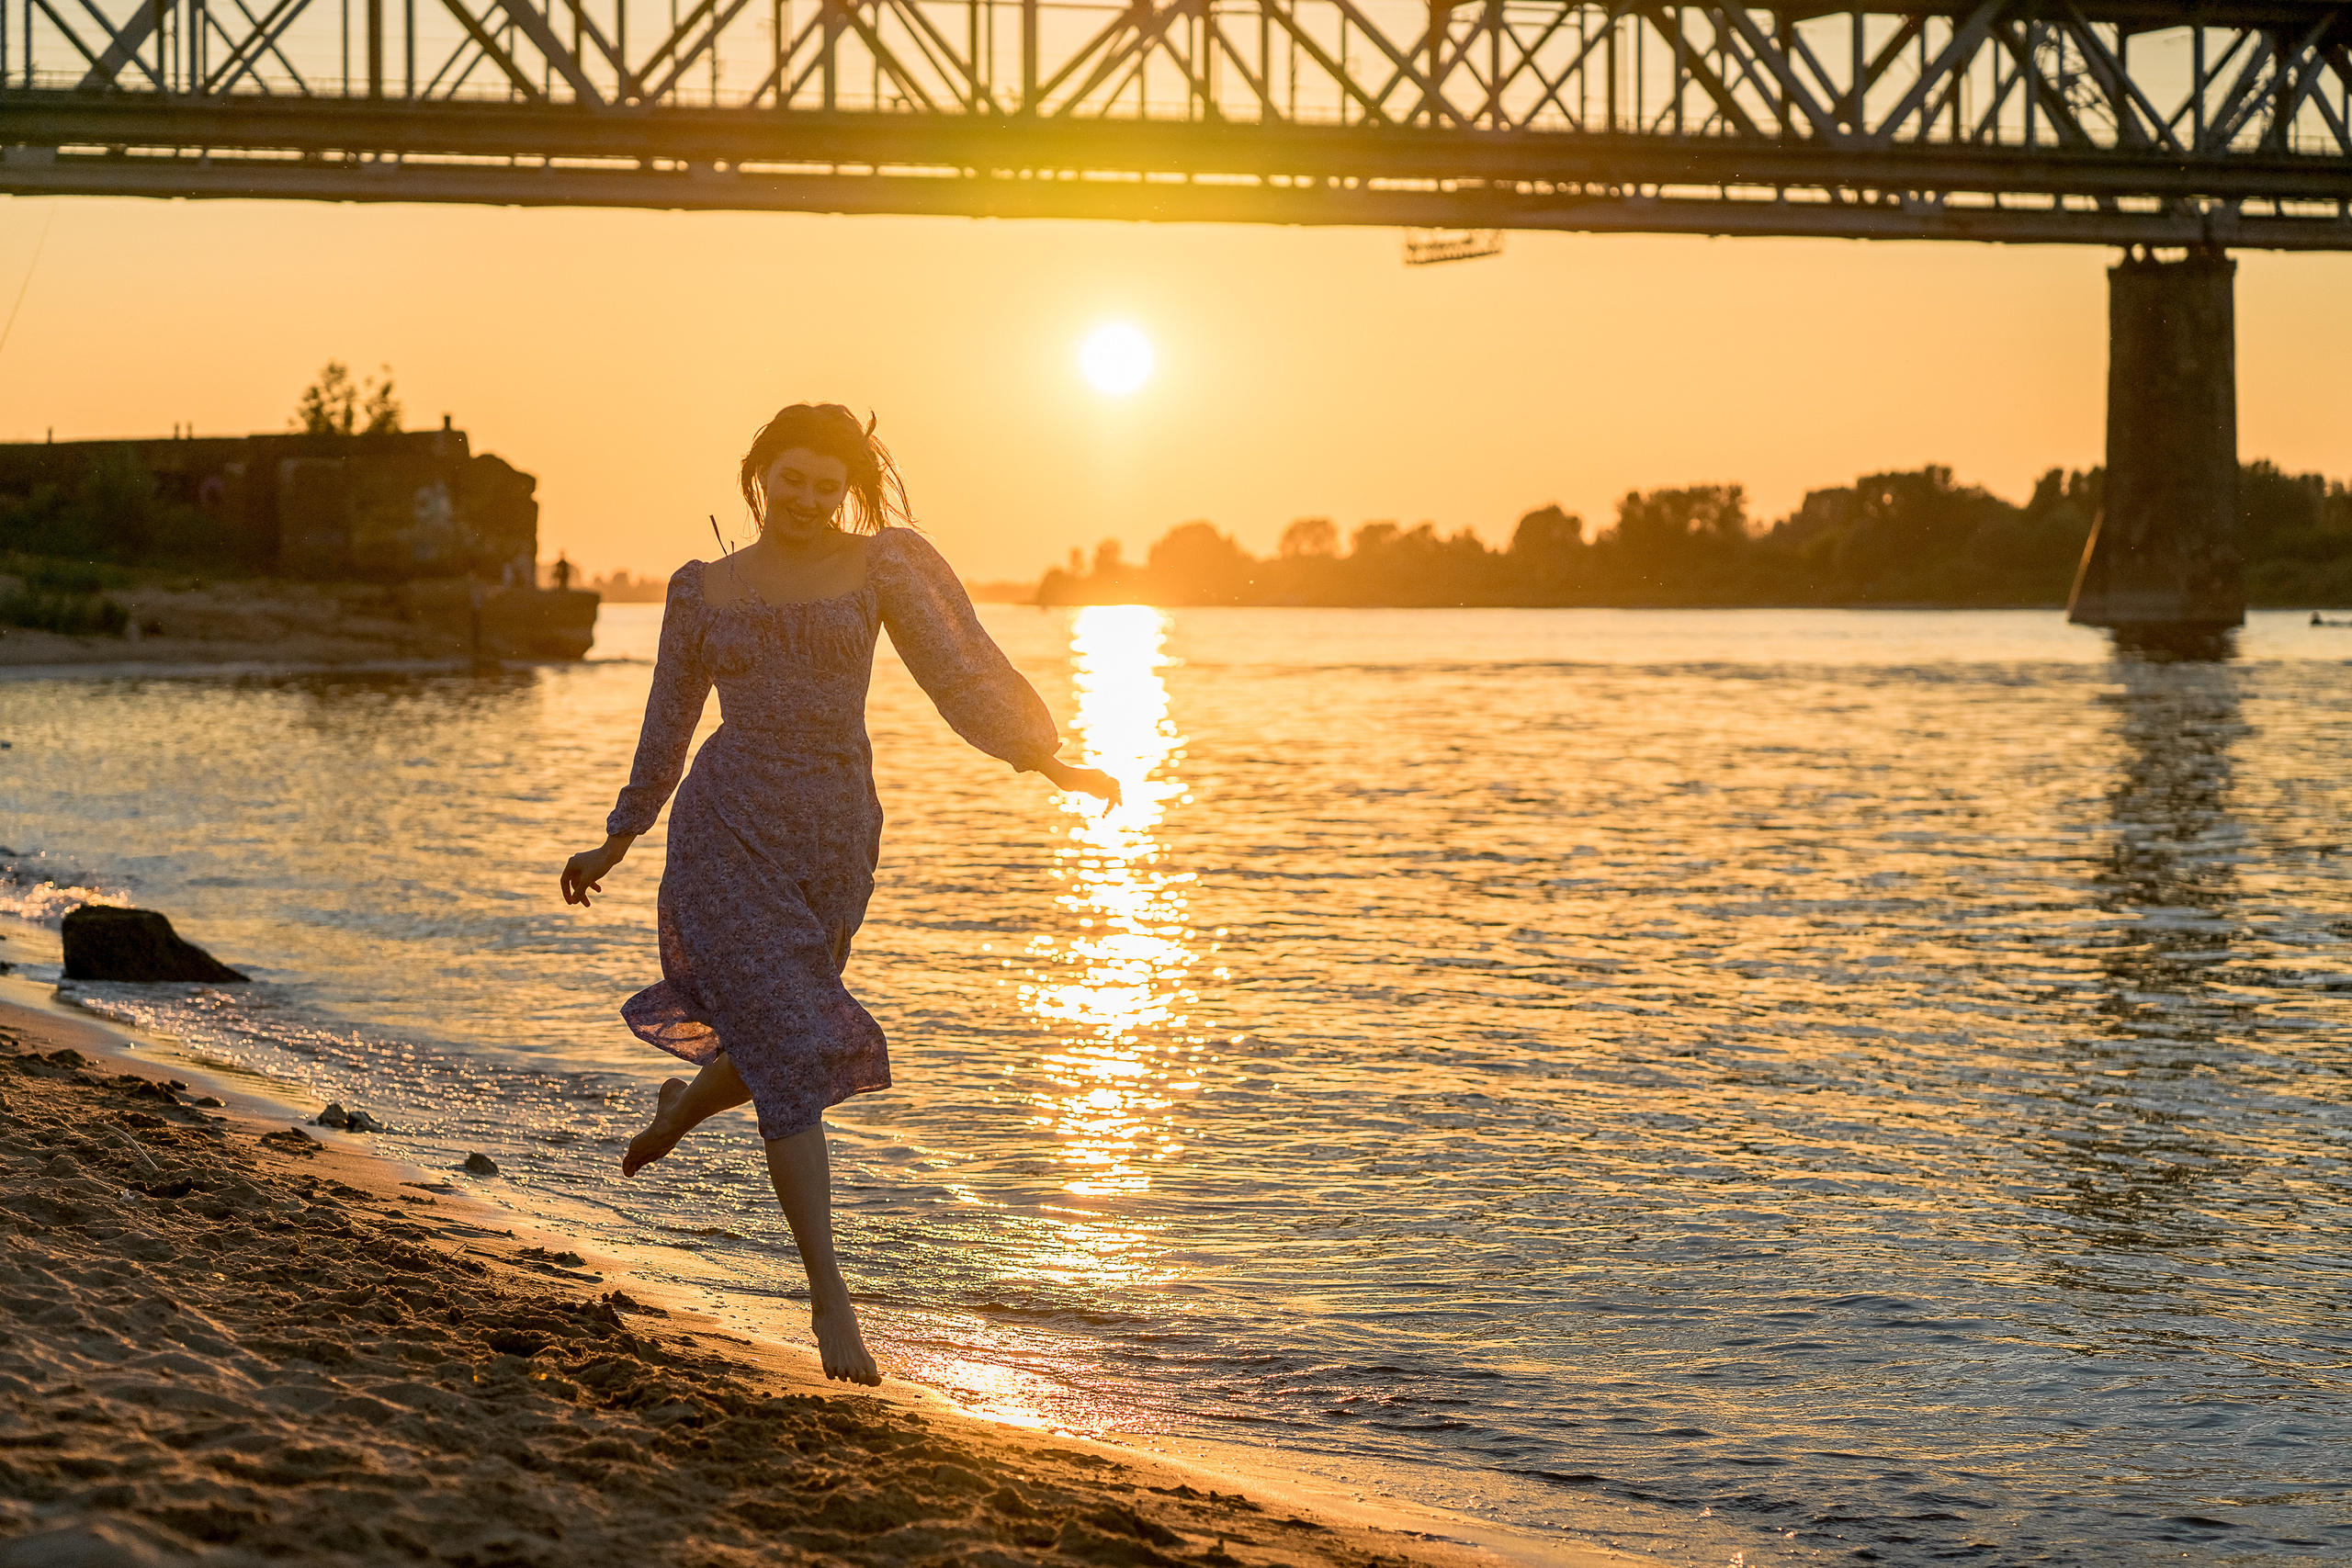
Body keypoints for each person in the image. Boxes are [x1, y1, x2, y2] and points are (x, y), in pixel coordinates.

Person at [559, 403, 1117, 1386]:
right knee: (788, 1044)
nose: (809, 499)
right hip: (724, 831)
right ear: (758, 476)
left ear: (846, 491)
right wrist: (617, 839)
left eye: (828, 484)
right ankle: (832, 1307)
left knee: (790, 1038)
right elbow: (668, 723)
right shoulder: (703, 592)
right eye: (793, 479)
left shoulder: (881, 567)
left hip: (833, 836)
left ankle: (676, 1113)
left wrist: (1047, 762)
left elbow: (959, 669)